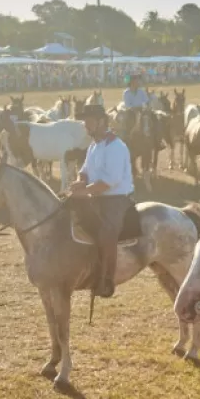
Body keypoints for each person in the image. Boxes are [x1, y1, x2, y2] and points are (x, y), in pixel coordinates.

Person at [70, 104, 134, 298]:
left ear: (101, 122)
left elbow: (110, 180)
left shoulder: (116, 146)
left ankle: (106, 279)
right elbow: (85, 171)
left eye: (88, 121)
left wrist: (86, 191)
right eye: (84, 121)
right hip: (96, 197)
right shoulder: (94, 146)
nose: (85, 125)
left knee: (106, 231)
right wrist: (79, 182)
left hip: (116, 200)